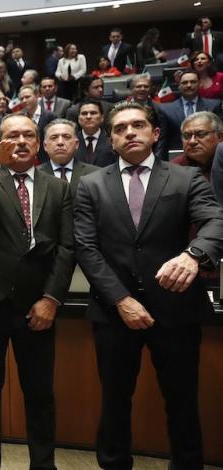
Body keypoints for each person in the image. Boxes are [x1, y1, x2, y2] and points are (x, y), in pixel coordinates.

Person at [74, 101, 223, 470]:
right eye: (121, 128)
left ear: (156, 134)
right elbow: (87, 249)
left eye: (138, 125)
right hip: (114, 313)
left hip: (176, 310)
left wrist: (194, 255)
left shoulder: (185, 178)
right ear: (111, 139)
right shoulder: (91, 185)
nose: (130, 132)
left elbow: (216, 222)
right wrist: (122, 299)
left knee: (183, 402)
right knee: (114, 403)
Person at [0, 113, 74, 470]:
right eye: (12, 136)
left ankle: (43, 463)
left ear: (38, 144)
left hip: (37, 305)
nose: (21, 141)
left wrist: (51, 298)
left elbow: (66, 248)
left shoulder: (58, 188)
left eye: (28, 135)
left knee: (40, 394)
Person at [156, 70, 221, 158]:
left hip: (208, 156)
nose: (189, 85)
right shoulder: (166, 109)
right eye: (185, 82)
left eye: (193, 82)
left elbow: (219, 135)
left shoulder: (213, 106)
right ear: (179, 86)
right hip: (177, 157)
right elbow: (162, 139)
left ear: (200, 84)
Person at [38, 118, 100, 194]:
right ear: (45, 146)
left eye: (66, 137)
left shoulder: (95, 174)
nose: (60, 142)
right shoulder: (35, 175)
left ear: (76, 144)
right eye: (54, 137)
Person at [173, 111, 221, 183]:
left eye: (200, 134)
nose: (192, 141)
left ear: (220, 137)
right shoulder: (174, 169)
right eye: (187, 136)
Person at [74, 100, 117, 167]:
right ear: (78, 118)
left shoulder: (112, 139)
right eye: (84, 113)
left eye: (93, 113)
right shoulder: (71, 140)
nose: (88, 117)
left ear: (102, 118)